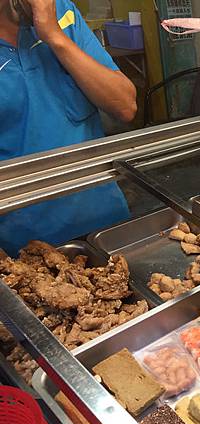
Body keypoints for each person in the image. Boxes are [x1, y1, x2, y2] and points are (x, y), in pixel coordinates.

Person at [0, 0, 137, 256]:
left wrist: (55, 36)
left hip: (107, 224)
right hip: (26, 249)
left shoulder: (61, 12)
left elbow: (125, 106)